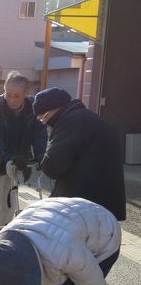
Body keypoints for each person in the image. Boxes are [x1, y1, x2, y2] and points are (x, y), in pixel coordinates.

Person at [33, 87, 126, 221]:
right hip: (106, 205)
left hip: (81, 208)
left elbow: (52, 167)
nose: (44, 122)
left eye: (43, 116)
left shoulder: (69, 122)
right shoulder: (91, 118)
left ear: (54, 108)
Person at [0, 71, 47, 228]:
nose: (11, 99)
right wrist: (7, 157)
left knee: (10, 205)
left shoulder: (33, 108)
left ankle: (6, 242)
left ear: (25, 94)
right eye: (8, 94)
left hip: (16, 162)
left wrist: (40, 156)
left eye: (17, 95)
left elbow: (40, 134)